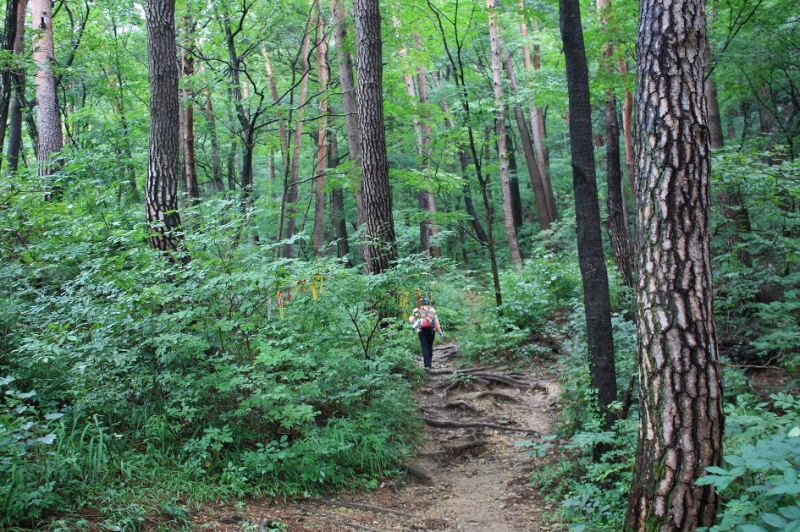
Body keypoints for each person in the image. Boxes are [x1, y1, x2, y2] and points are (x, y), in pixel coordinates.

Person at [408, 297, 443, 369]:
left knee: (424, 346)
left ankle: (427, 365)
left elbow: (411, 320)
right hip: (431, 330)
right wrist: (440, 332)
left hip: (421, 331)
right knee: (430, 346)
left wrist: (415, 322)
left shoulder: (417, 310)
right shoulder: (431, 310)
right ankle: (429, 363)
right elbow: (436, 322)